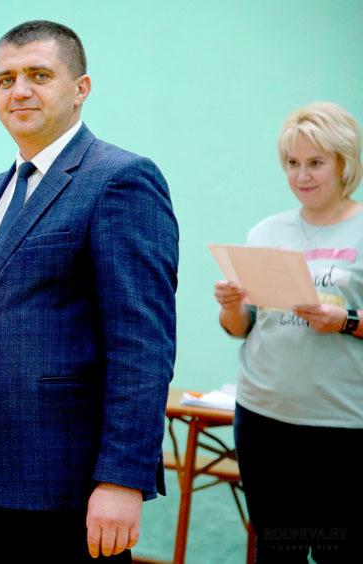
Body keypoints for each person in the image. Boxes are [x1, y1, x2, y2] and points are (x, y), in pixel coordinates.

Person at [0, 20, 178, 562]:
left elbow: (142, 346)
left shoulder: (120, 180)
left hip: (72, 485)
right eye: (5, 79)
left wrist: (122, 479)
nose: (20, 91)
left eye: (39, 75)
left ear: (80, 88)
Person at [214, 101, 363, 562]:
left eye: (315, 163)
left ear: (344, 163)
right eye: (293, 163)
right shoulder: (266, 232)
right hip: (264, 420)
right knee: (279, 551)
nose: (302, 175)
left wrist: (345, 321)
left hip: (342, 426)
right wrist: (232, 307)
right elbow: (242, 328)